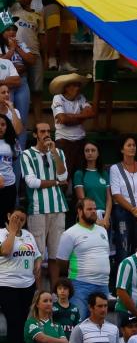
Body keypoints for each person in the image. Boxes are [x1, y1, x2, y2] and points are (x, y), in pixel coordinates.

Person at [20, 122, 68, 286]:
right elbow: (32, 182)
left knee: (56, 255)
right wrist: (55, 182)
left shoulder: (59, 152)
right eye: (42, 131)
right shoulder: (26, 154)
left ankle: (55, 294)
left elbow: (64, 178)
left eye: (49, 131)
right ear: (35, 135)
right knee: (37, 255)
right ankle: (38, 294)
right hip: (37, 209)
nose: (46, 134)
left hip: (58, 207)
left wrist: (54, 152)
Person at [0, 206, 40, 343]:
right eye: (15, 217)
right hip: (7, 286)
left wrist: (38, 263)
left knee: (22, 320)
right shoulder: (1, 233)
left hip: (27, 286)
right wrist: (12, 232)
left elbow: (37, 254)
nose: (18, 221)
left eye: (22, 220)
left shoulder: (28, 235)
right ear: (8, 215)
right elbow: (5, 250)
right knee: (14, 320)